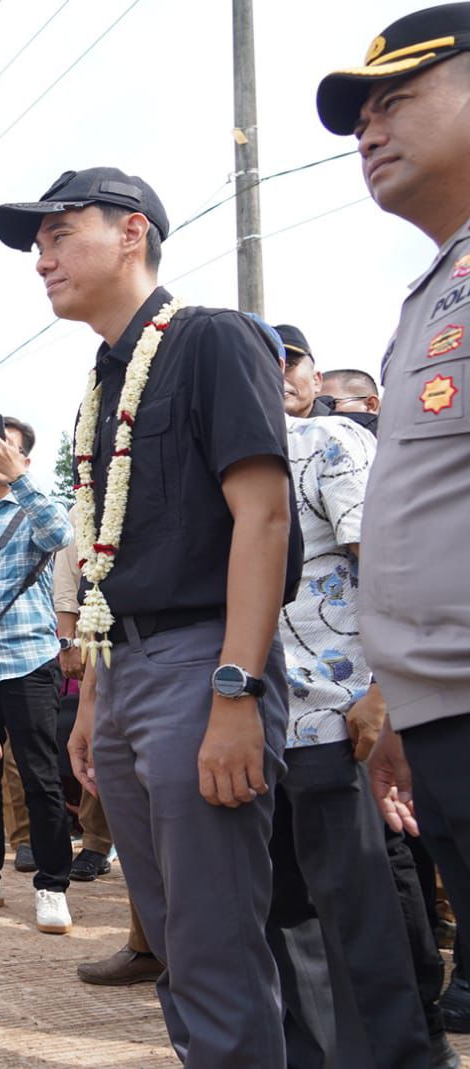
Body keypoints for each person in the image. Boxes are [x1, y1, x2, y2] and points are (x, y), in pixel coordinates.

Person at [0, 167, 298, 1067]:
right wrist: (95, 698)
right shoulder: (105, 379)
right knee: (170, 935)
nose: (42, 258)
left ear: (131, 233)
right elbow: (107, 553)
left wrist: (237, 690)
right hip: (125, 672)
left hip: (204, 662)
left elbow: (264, 517)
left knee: (214, 941)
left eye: (59, 234)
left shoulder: (212, 339)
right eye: (38, 244)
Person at [318, 4, 470, 1057]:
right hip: (441, 705)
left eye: (398, 100)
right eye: (361, 116)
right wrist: (403, 708)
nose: (369, 130)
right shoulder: (434, 287)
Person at [265, 360, 441, 1065]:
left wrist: (384, 691)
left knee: (361, 912)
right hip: (253, 723)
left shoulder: (326, 441)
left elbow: (388, 563)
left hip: (337, 718)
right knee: (285, 913)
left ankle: (407, 1052)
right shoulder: (209, 467)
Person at [0, 416, 75, 934]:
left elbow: (61, 534)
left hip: (28, 660)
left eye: (6, 447)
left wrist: (20, 481)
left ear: (25, 459)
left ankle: (52, 885)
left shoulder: (36, 506)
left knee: (40, 778)